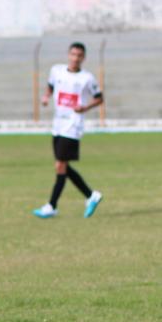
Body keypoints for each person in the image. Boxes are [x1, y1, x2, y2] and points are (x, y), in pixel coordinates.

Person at [33, 42, 105, 219]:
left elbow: (99, 98)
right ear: (68, 55)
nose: (75, 58)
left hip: (73, 125)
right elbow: (50, 86)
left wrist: (85, 107)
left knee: (60, 165)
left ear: (83, 58)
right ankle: (91, 195)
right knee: (62, 165)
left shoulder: (87, 78)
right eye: (73, 54)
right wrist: (46, 96)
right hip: (58, 123)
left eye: (79, 55)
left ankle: (52, 205)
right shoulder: (56, 70)